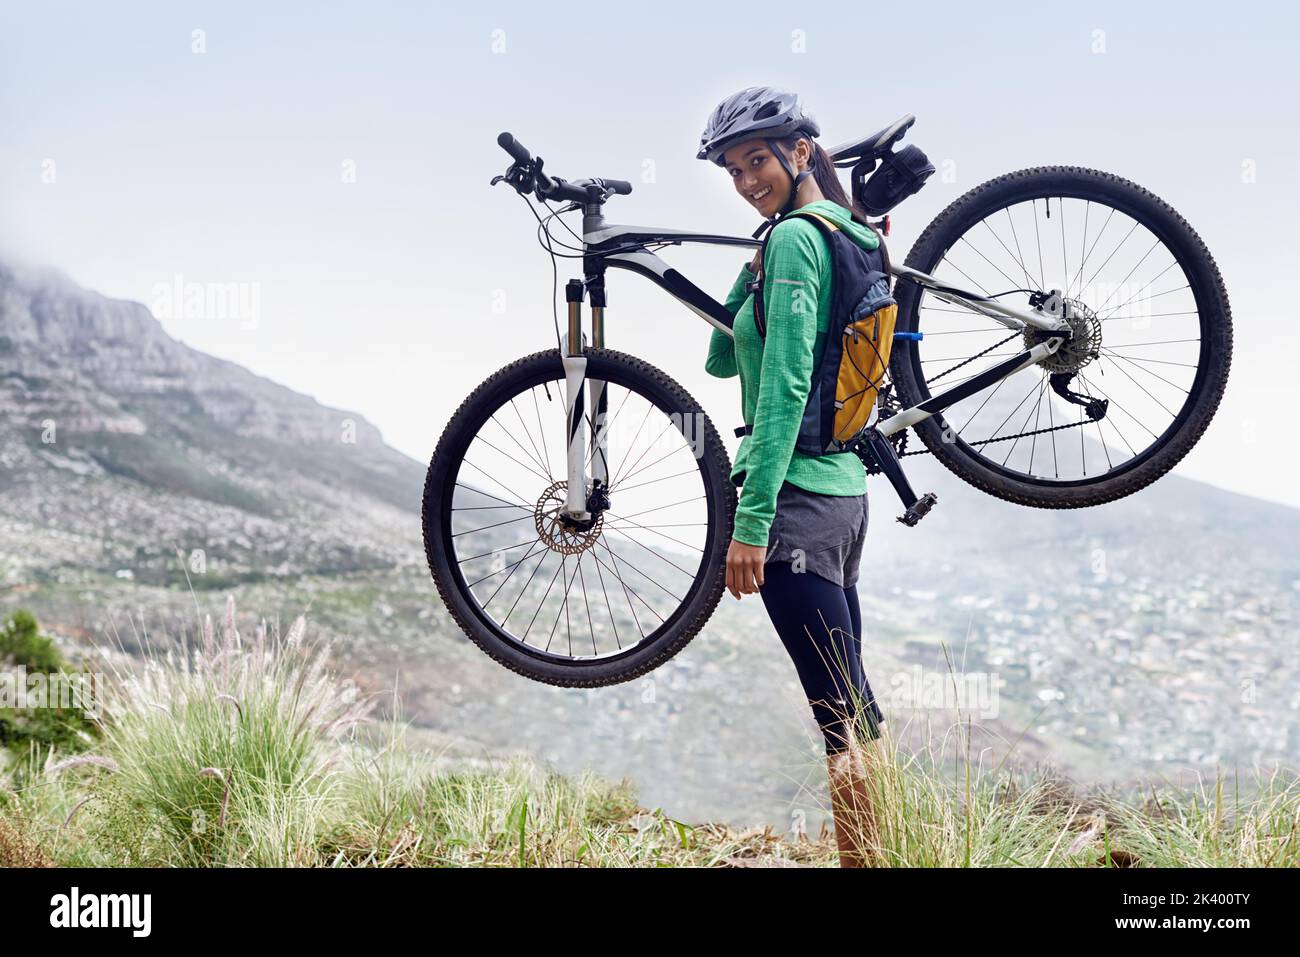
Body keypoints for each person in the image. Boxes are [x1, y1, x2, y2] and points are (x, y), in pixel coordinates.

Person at [699, 85, 891, 867]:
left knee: (837, 715)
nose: (748, 181)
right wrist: (753, 277)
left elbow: (778, 389)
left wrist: (751, 526)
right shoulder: (845, 232)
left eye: (757, 162)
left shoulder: (794, 242)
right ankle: (885, 854)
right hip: (844, 502)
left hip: (798, 506)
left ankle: (867, 862)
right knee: (854, 707)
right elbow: (722, 357)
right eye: (734, 171)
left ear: (801, 152)